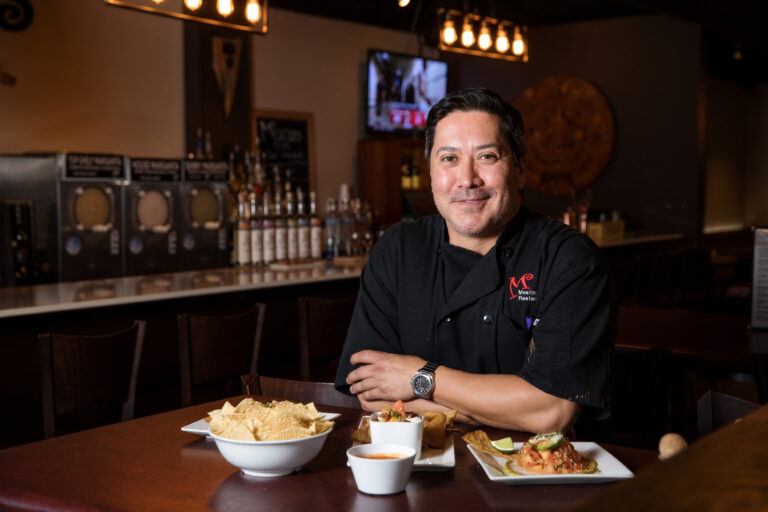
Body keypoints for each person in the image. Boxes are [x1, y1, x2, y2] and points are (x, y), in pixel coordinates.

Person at [335, 88, 611, 433]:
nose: (467, 179)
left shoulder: (568, 259)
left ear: (521, 169)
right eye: (449, 158)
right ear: (430, 172)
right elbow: (370, 393)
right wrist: (510, 408)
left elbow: (551, 411)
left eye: (487, 156)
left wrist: (420, 377)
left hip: (528, 464)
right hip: (414, 459)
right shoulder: (398, 249)